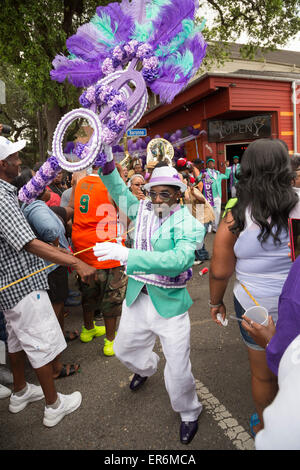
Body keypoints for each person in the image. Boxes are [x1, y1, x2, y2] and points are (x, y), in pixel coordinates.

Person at [94, 148, 205, 445]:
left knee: (179, 369)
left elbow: (179, 260)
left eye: (165, 194)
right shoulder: (140, 208)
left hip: (169, 306)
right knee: (124, 350)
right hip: (137, 299)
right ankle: (146, 367)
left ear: (178, 195)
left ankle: (189, 412)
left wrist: (129, 254)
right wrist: (105, 162)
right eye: (153, 193)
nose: (157, 200)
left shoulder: (189, 223)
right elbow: (117, 186)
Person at [0, 135, 95, 426]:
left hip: (11, 288)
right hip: (22, 285)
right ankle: (54, 405)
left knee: (16, 342)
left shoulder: (7, 191)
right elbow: (27, 241)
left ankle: (20, 391)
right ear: (2, 163)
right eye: (14, 158)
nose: (19, 162)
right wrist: (75, 261)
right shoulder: (1, 195)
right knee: (40, 343)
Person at [209, 138, 300, 437]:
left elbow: (220, 271)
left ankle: (265, 426)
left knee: (262, 376)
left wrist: (214, 303)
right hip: (295, 302)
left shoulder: (235, 216)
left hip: (253, 304)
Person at [72, 162, 128, 357]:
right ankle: (111, 341)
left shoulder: (80, 181)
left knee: (88, 292)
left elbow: (73, 209)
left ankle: (88, 329)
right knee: (111, 298)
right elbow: (126, 217)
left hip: (83, 250)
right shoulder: (112, 185)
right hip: (107, 250)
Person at [201, 157, 229, 232]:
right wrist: (201, 177)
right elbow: (198, 178)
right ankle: (209, 227)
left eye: (212, 163)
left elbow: (227, 176)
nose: (211, 164)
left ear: (214, 164)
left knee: (217, 212)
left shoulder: (218, 173)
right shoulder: (204, 172)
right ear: (207, 164)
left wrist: (227, 167)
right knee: (209, 212)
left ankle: (215, 228)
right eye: (209, 163)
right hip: (209, 196)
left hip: (217, 196)